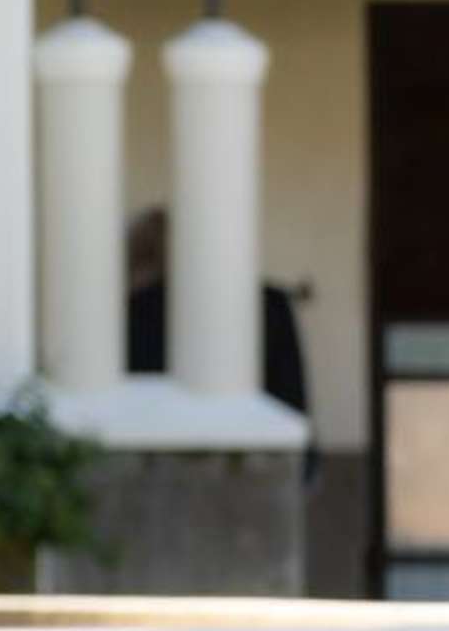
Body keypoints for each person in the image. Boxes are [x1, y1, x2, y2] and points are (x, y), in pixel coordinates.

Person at [124, 205, 318, 479]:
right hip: (252, 451)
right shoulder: (269, 302)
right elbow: (291, 388)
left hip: (168, 455)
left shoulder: (136, 309)